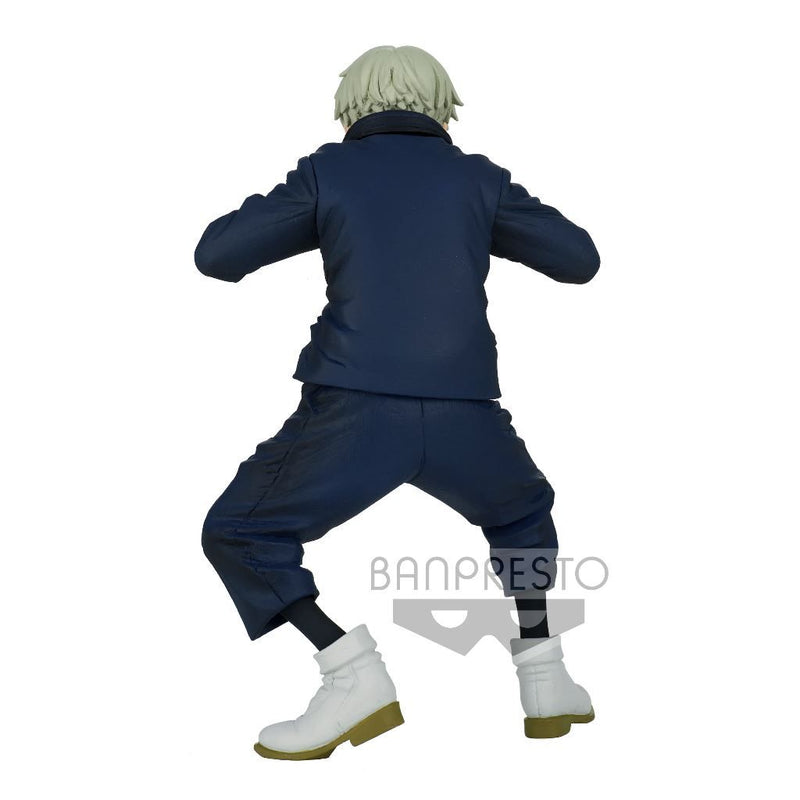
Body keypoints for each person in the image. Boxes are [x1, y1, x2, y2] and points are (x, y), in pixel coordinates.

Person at [195, 44, 600, 759]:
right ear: (441, 104)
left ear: (351, 103)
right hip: (466, 412)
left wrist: (322, 205)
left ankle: (350, 673)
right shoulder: (478, 179)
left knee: (239, 531)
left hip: (355, 409)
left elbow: (217, 255)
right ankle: (546, 677)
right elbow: (578, 260)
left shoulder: (329, 172)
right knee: (522, 516)